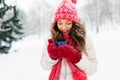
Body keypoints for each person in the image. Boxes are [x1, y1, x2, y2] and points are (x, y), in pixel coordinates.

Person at [41, 0, 97, 80]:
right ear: (56, 23)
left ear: (74, 23)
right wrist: (52, 57)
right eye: (60, 23)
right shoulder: (51, 39)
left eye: (68, 23)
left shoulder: (84, 38)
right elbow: (44, 65)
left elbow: (92, 69)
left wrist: (76, 57)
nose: (64, 27)